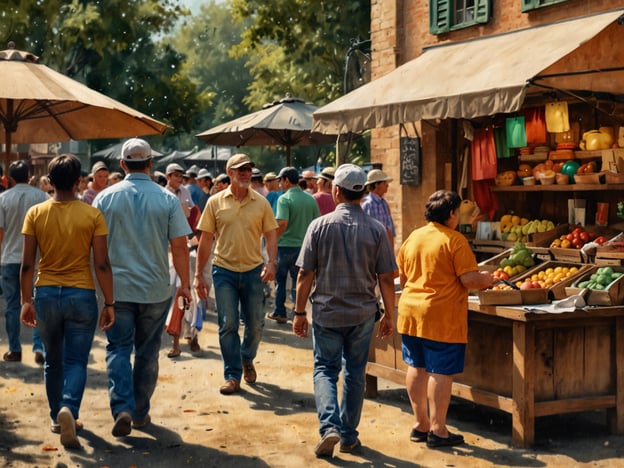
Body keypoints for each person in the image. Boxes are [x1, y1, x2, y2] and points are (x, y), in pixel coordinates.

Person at [292, 163, 396, 458]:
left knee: (325, 369)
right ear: (363, 192)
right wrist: (390, 315)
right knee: (354, 372)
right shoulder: (376, 230)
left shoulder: (319, 226)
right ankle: (349, 436)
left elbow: (305, 274)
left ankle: (330, 428)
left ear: (336, 191)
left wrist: (299, 313)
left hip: (326, 312)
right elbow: (386, 277)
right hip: (363, 314)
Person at [92, 138, 192, 437]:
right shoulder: (167, 199)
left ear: (122, 165)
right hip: (155, 290)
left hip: (116, 291)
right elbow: (179, 247)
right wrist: (185, 285)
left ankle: (121, 407)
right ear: (151, 164)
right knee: (148, 352)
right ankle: (139, 413)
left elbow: (96, 250)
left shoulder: (105, 199)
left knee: (118, 348)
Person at [20, 154, 115, 449]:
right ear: (78, 182)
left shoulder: (35, 213)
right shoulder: (92, 215)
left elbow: (26, 265)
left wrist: (26, 301)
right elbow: (101, 264)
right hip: (81, 295)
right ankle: (69, 409)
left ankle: (55, 415)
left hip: (46, 294)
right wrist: (110, 302)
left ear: (49, 181)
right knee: (76, 360)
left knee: (53, 361)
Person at [396, 190, 493, 448]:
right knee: (440, 372)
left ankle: (421, 424)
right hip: (440, 316)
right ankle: (438, 430)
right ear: (451, 213)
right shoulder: (454, 240)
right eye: (458, 211)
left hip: (410, 312)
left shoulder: (413, 237)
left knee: (416, 367)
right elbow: (469, 280)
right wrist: (490, 278)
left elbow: (403, 279)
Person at [194, 153, 278, 395]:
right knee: (228, 324)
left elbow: (271, 234)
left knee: (255, 323)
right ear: (229, 172)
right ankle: (232, 374)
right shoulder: (215, 202)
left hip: (253, 271)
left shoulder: (261, 203)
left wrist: (271, 262)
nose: (245, 174)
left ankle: (246, 357)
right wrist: (199, 274)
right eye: (240, 170)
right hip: (224, 272)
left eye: (248, 169)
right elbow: (206, 240)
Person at [0, 161, 49, 364]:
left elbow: (0, 233)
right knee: (38, 304)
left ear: (10, 178)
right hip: (37, 260)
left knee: (12, 306)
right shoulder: (42, 197)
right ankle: (39, 347)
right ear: (30, 176)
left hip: (10, 258)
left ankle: (15, 348)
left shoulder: (2, 198)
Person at [266, 167, 320, 324]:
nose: (280, 184)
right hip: (305, 248)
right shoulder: (310, 199)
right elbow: (317, 223)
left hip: (285, 248)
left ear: (287, 180)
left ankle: (280, 311)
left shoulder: (284, 199)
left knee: (280, 281)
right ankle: (300, 312)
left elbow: (282, 222)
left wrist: (273, 239)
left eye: (281, 181)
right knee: (300, 281)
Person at [362, 169, 396, 245]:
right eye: (384, 183)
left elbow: (390, 230)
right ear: (376, 184)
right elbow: (367, 233)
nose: (387, 185)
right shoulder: (368, 204)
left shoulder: (384, 204)